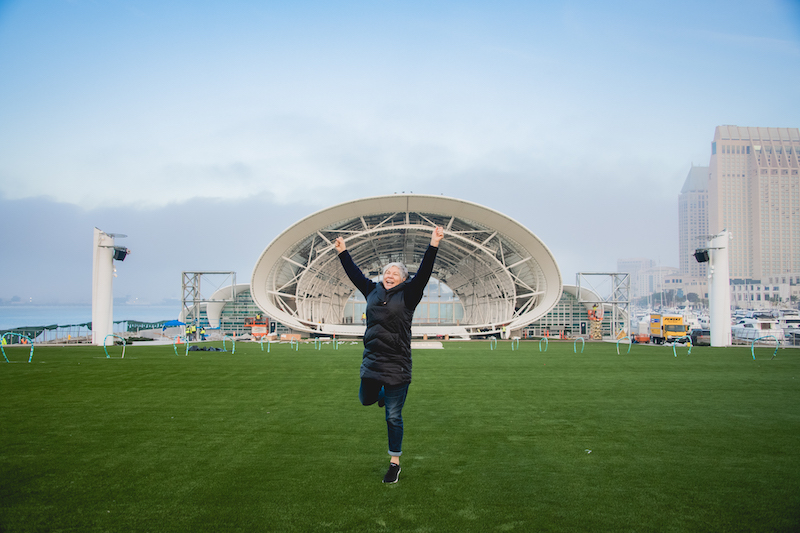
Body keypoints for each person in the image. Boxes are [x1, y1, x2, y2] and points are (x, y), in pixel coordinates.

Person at [334, 226, 444, 484]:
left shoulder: (409, 294)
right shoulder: (371, 290)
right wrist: (343, 252)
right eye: (387, 272)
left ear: (404, 279)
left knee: (393, 416)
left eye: (395, 273)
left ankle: (394, 463)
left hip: (397, 365)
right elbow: (354, 274)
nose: (390, 275)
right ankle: (380, 395)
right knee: (365, 400)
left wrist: (434, 244)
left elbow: (425, 273)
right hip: (372, 361)